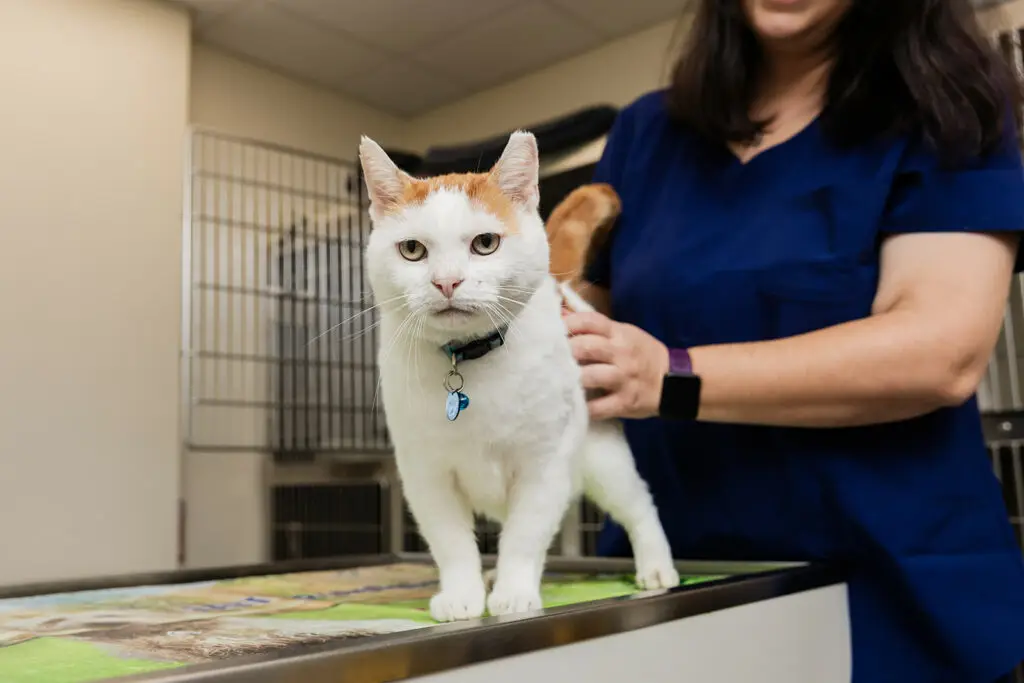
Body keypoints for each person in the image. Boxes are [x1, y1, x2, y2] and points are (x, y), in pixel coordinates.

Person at [563, 0, 1024, 681]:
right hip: (680, 591)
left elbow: (939, 352)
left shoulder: (946, 107)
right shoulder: (646, 132)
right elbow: (570, 337)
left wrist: (669, 374)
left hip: (894, 601)